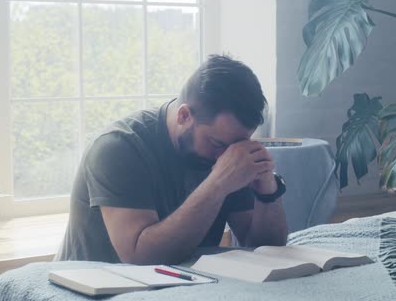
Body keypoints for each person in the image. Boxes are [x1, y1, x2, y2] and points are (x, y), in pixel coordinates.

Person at [55, 55, 288, 265]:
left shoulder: (225, 149)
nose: (226, 156)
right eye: (217, 144)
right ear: (184, 115)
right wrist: (217, 184)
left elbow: (263, 248)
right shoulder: (118, 148)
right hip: (91, 288)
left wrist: (266, 191)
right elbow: (140, 257)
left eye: (237, 145)